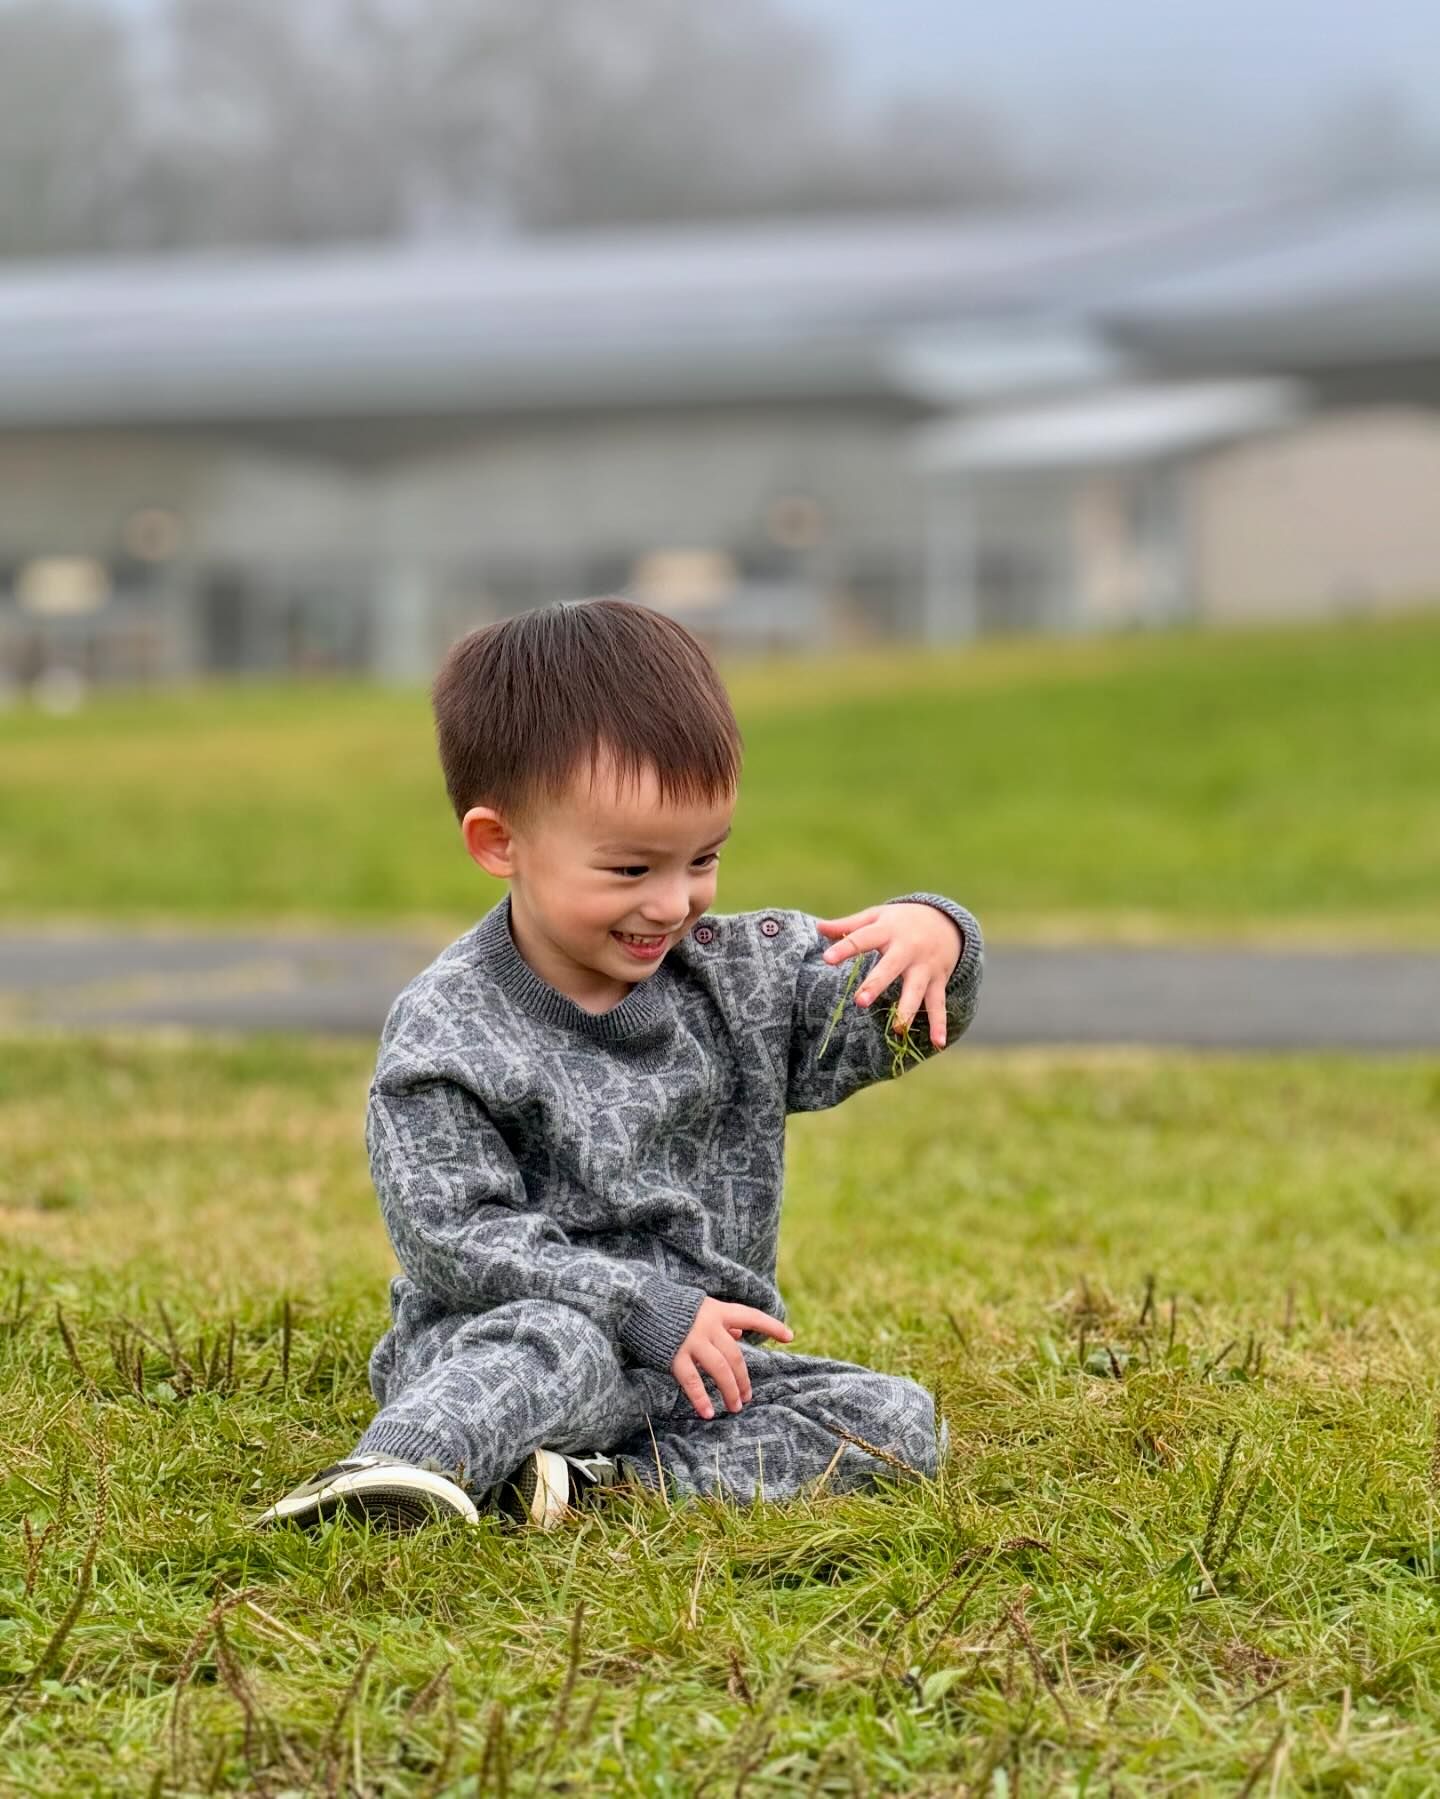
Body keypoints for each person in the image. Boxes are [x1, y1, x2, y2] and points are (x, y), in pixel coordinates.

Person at [254, 597, 982, 1533]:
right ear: (499, 841)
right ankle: (392, 1475)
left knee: (895, 1423)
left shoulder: (737, 978)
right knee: (554, 1348)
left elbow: (887, 1026)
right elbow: (452, 1233)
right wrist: (634, 1303)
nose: (673, 903)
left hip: (701, 1363)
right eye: (631, 871)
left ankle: (594, 1490)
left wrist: (939, 941)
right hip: (519, 1336)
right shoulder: (450, 1028)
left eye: (704, 858)